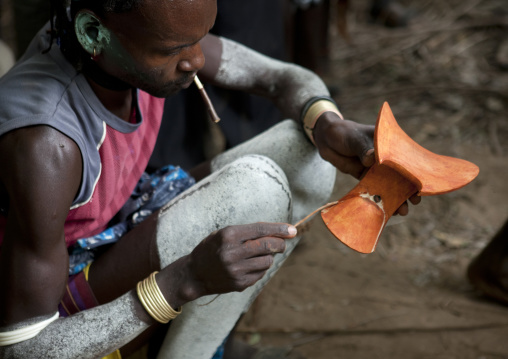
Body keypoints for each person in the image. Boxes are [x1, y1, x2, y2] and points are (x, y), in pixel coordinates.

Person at [0, 0, 418, 358]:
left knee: (308, 150)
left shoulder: (128, 45)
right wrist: (184, 282)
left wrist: (327, 124)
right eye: (175, 49)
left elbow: (278, 77)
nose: (196, 60)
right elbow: (25, 349)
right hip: (64, 309)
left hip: (113, 231)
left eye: (201, 37)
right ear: (93, 32)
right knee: (254, 188)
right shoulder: (47, 146)